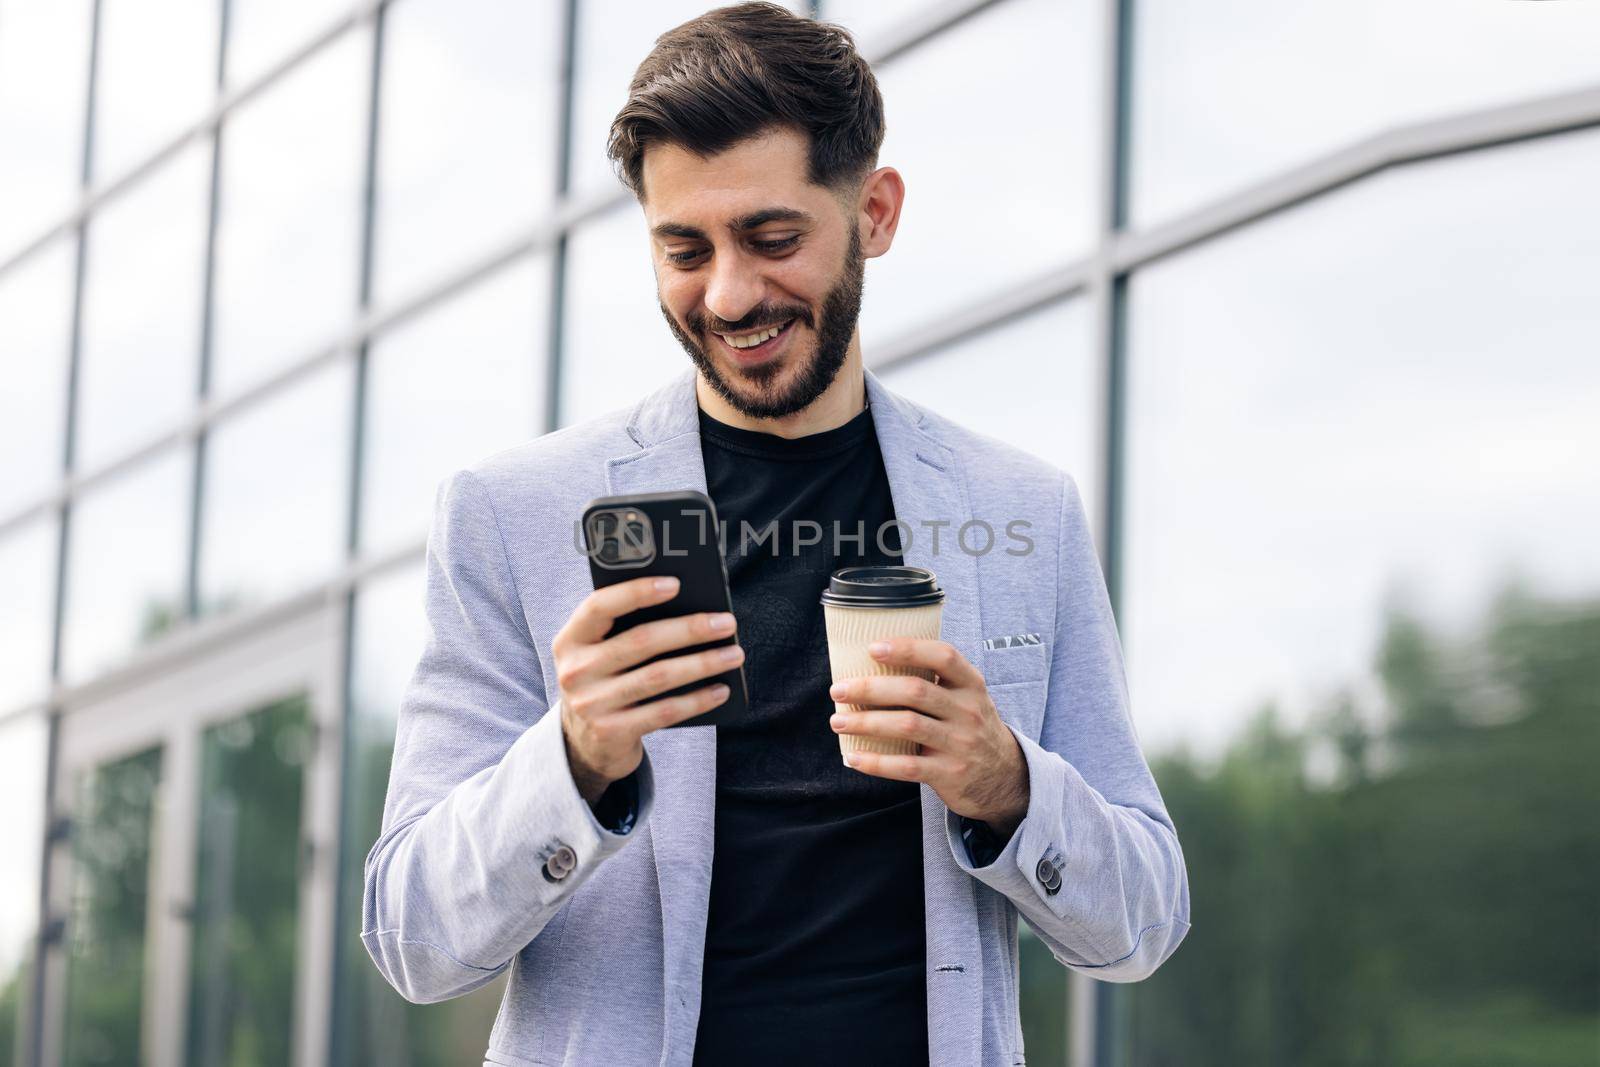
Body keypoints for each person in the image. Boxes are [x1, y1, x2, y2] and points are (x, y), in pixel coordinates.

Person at [361, 4, 1190, 1064]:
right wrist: (573, 759)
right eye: (683, 248)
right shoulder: (510, 513)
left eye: (772, 237)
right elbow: (411, 941)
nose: (729, 292)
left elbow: (1144, 920)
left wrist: (1008, 784)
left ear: (875, 211)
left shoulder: (1022, 509)